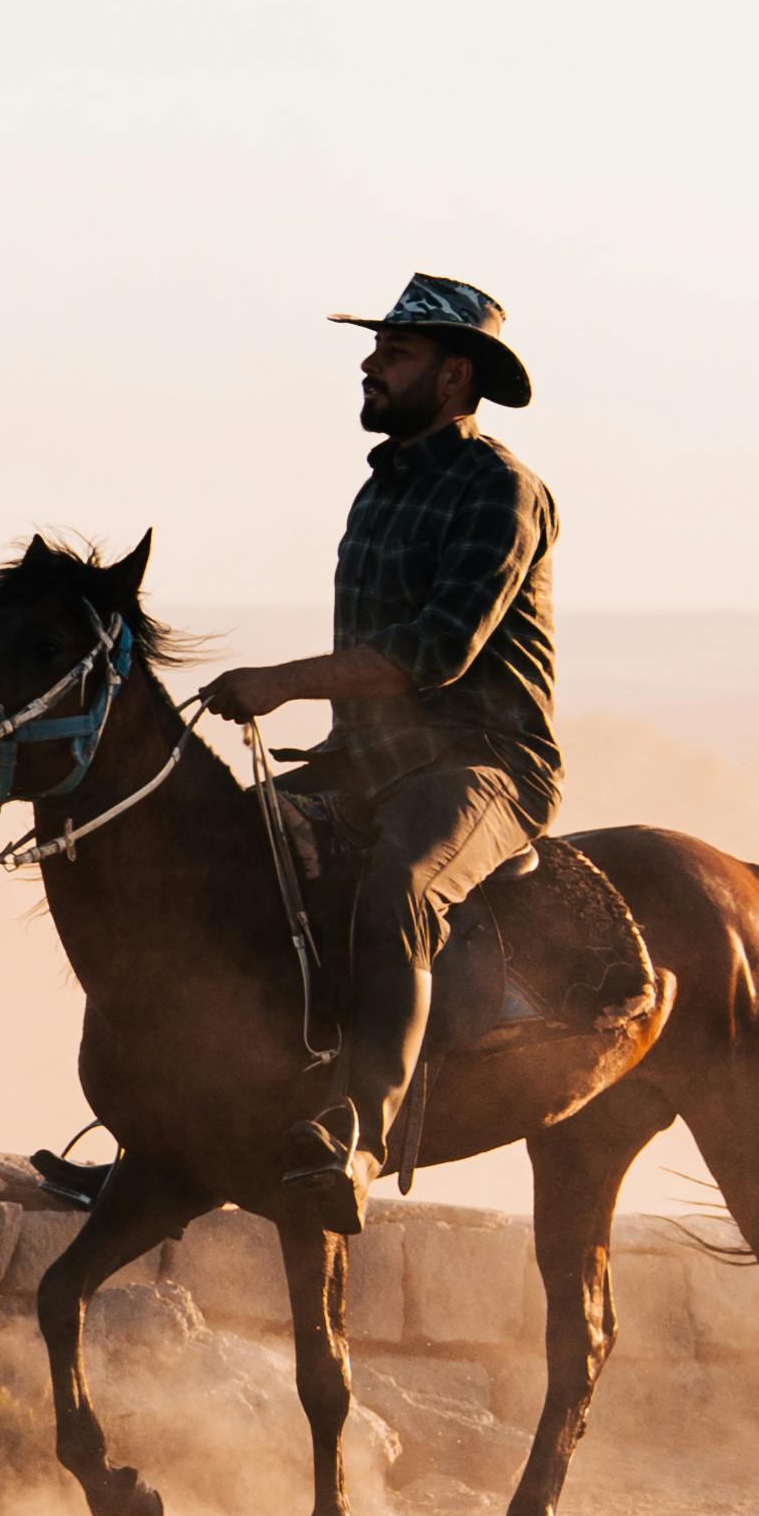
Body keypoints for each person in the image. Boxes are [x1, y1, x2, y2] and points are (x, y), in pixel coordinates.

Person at [207, 275, 559, 1233]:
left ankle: (358, 1139)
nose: (369, 364)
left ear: (452, 377)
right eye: (376, 349)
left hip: (483, 765)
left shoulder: (501, 490)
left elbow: (438, 652)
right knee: (218, 854)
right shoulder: (381, 489)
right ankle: (176, 1126)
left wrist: (281, 679)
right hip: (365, 759)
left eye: (393, 354)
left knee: (398, 882)